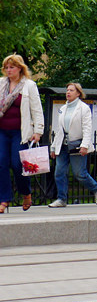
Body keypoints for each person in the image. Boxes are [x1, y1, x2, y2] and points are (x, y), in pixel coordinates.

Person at [48, 82, 97, 207]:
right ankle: (61, 198)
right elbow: (59, 129)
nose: (68, 92)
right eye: (67, 90)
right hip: (63, 144)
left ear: (78, 93)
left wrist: (84, 145)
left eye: (71, 90)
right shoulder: (63, 108)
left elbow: (87, 128)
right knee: (59, 172)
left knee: (80, 173)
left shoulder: (83, 108)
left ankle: (96, 189)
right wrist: (53, 147)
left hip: (77, 144)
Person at [0, 54, 44, 212]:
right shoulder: (1, 84)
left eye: (12, 67)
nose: (8, 70)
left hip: (20, 132)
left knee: (18, 165)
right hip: (2, 131)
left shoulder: (29, 86)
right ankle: (4, 199)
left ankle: (26, 193)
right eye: (6, 67)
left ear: (19, 68)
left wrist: (38, 131)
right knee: (1, 163)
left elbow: (37, 110)